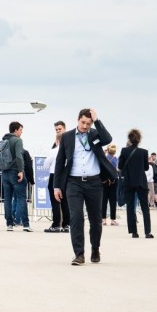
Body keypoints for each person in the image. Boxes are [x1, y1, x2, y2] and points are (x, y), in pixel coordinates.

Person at [53, 108, 117, 266]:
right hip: (73, 182)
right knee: (76, 217)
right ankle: (79, 254)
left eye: (88, 123)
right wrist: (56, 186)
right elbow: (60, 161)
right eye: (83, 122)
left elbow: (108, 139)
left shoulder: (95, 134)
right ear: (77, 120)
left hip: (94, 182)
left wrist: (97, 121)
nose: (85, 126)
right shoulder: (67, 137)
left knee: (95, 219)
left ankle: (95, 248)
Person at [118, 128, 153, 239]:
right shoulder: (144, 152)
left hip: (129, 181)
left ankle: (134, 232)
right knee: (144, 207)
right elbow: (146, 168)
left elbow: (120, 166)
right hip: (141, 181)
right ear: (139, 140)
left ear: (129, 139)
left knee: (130, 206)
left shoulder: (124, 151)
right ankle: (147, 232)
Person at [0, 122, 29, 232]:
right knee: (21, 198)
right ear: (15, 130)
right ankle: (25, 224)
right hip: (15, 172)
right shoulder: (17, 140)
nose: (21, 132)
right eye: (20, 130)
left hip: (4, 173)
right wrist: (21, 171)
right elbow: (19, 156)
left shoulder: (3, 141)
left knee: (7, 199)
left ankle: (9, 224)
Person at [44, 122, 70, 233]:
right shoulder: (69, 150)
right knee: (66, 202)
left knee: (55, 202)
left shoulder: (53, 150)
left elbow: (45, 165)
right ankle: (66, 225)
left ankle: (56, 224)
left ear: (56, 141)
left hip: (54, 176)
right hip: (66, 177)